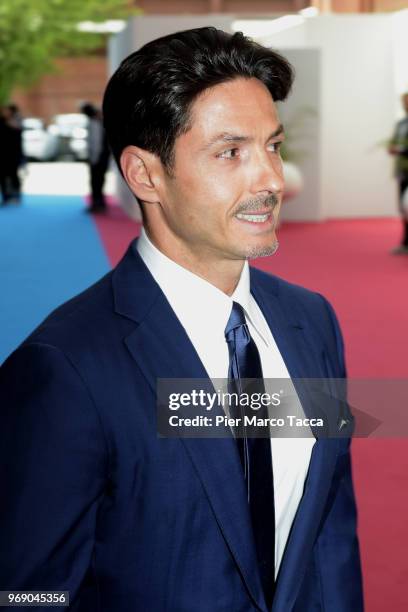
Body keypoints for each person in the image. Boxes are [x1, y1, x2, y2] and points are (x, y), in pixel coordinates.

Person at [0, 28, 363, 611]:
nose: (271, 178)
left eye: (273, 145)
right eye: (231, 153)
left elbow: (328, 533)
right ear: (145, 175)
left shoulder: (311, 322)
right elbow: (27, 592)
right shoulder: (65, 369)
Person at [80, 102, 110, 213]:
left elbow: (95, 143)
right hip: (102, 156)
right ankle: (99, 203)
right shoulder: (101, 122)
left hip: (98, 157)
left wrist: (93, 159)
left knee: (96, 181)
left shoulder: (94, 123)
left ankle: (97, 204)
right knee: (100, 181)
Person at [388, 92, 408, 254]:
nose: (405, 104)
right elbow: (394, 142)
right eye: (404, 102)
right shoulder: (401, 123)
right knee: (404, 207)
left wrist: (401, 149)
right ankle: (405, 243)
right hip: (402, 171)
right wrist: (393, 148)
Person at [0, 104, 23, 205]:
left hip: (14, 153)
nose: (5, 112)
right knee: (2, 176)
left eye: (7, 110)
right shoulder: (1, 121)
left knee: (13, 174)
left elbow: (18, 131)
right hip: (2, 153)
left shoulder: (17, 121)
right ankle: (6, 196)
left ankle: (16, 195)